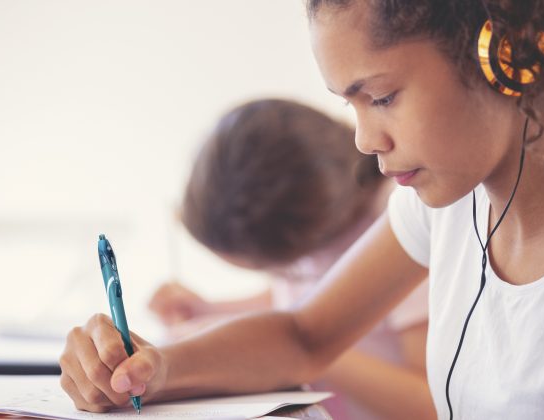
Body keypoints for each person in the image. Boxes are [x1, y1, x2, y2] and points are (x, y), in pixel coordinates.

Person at [58, 0, 544, 418]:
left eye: (381, 98)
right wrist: (155, 370)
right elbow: (304, 338)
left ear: (509, 54)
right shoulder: (450, 205)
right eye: (351, 106)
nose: (364, 140)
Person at [146, 98, 432, 419]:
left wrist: (306, 351)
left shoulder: (402, 222)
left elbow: (430, 402)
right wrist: (214, 311)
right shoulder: (319, 231)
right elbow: (301, 300)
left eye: (277, 269)